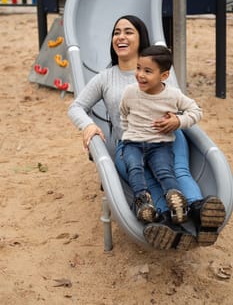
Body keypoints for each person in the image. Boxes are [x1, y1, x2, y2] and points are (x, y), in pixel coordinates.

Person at [68, 15, 226, 250]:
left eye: (128, 32)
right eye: (116, 32)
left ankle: (199, 212)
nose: (120, 37)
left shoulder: (161, 71)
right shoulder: (106, 78)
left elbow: (180, 103)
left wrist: (177, 119)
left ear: (141, 38)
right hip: (130, 144)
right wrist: (89, 125)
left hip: (167, 138)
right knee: (148, 179)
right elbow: (76, 107)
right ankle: (165, 223)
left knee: (178, 171)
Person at [119, 45, 202, 227]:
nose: (140, 74)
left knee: (164, 171)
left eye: (148, 71)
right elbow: (124, 115)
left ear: (164, 76)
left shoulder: (173, 95)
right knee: (134, 167)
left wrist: (178, 121)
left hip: (160, 144)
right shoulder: (130, 92)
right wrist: (128, 133)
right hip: (133, 142)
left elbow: (196, 111)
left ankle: (176, 200)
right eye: (138, 68)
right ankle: (144, 202)